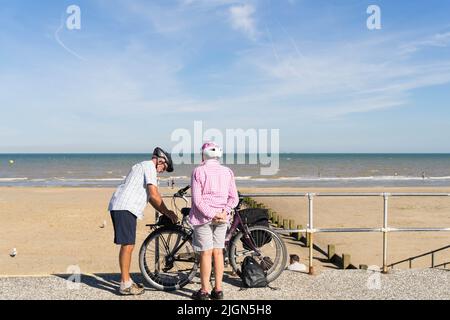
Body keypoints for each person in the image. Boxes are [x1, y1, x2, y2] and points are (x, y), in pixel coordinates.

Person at [108, 147, 178, 295]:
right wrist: (168, 212)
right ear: (160, 160)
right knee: (128, 245)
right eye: (164, 167)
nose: (162, 171)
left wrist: (162, 211)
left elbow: (152, 199)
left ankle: (126, 280)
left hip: (123, 206)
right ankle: (125, 284)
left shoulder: (143, 166)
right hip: (125, 206)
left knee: (128, 244)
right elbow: (153, 194)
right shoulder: (149, 167)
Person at [189, 142, 239, 300]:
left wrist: (212, 214)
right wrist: (224, 212)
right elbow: (234, 198)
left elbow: (197, 200)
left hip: (203, 218)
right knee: (218, 252)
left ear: (203, 154)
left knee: (205, 253)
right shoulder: (227, 172)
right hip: (222, 217)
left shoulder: (198, 171)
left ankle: (204, 291)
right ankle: (218, 290)